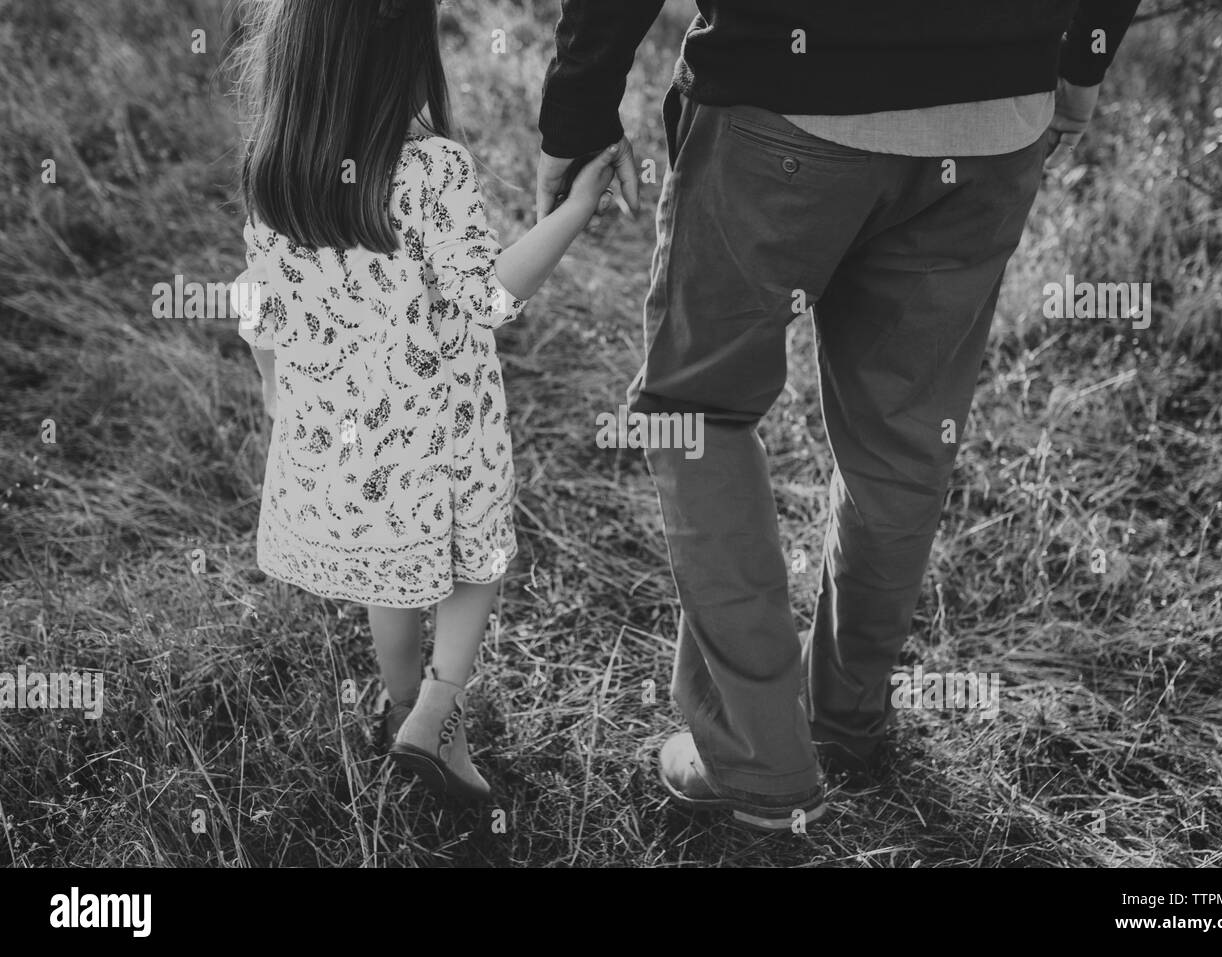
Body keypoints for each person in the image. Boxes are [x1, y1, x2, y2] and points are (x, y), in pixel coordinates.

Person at [537, 0, 1141, 831]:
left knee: (697, 411)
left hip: (784, 100)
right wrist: (1076, 66)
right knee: (905, 435)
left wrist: (578, 106)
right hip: (997, 115)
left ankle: (756, 760)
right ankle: (847, 722)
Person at [232, 0, 617, 802]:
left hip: (347, 435)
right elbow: (487, 295)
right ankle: (437, 711)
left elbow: (260, 310)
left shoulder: (274, 168)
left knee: (392, 573)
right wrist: (575, 211)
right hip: (444, 427)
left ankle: (401, 703)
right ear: (406, 53)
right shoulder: (430, 167)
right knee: (476, 560)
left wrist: (276, 389)